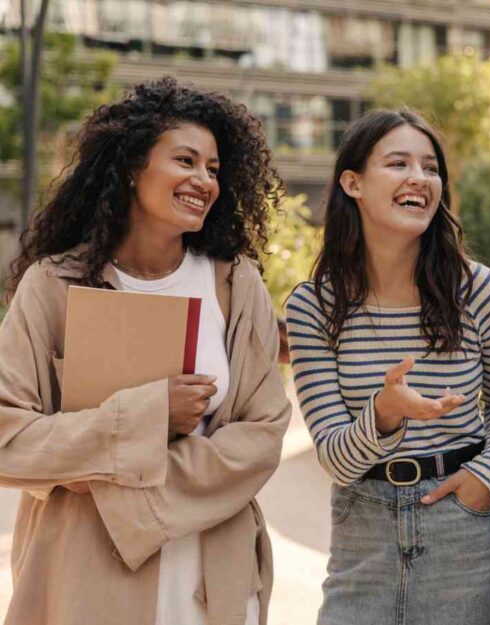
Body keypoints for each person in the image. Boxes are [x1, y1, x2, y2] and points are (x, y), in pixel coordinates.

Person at [0, 77, 292, 625]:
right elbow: (8, 437)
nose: (203, 180)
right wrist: (150, 415)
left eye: (212, 168)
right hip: (82, 575)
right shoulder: (53, 285)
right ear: (133, 167)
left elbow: (262, 434)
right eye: (185, 160)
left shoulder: (235, 285)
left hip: (212, 579)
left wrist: (114, 482)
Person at [285, 109, 490, 625]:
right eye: (398, 163)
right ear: (353, 183)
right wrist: (385, 414)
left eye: (430, 167)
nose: (419, 178)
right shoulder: (312, 308)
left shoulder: (483, 292)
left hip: (466, 530)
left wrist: (487, 475)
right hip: (361, 534)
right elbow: (336, 461)